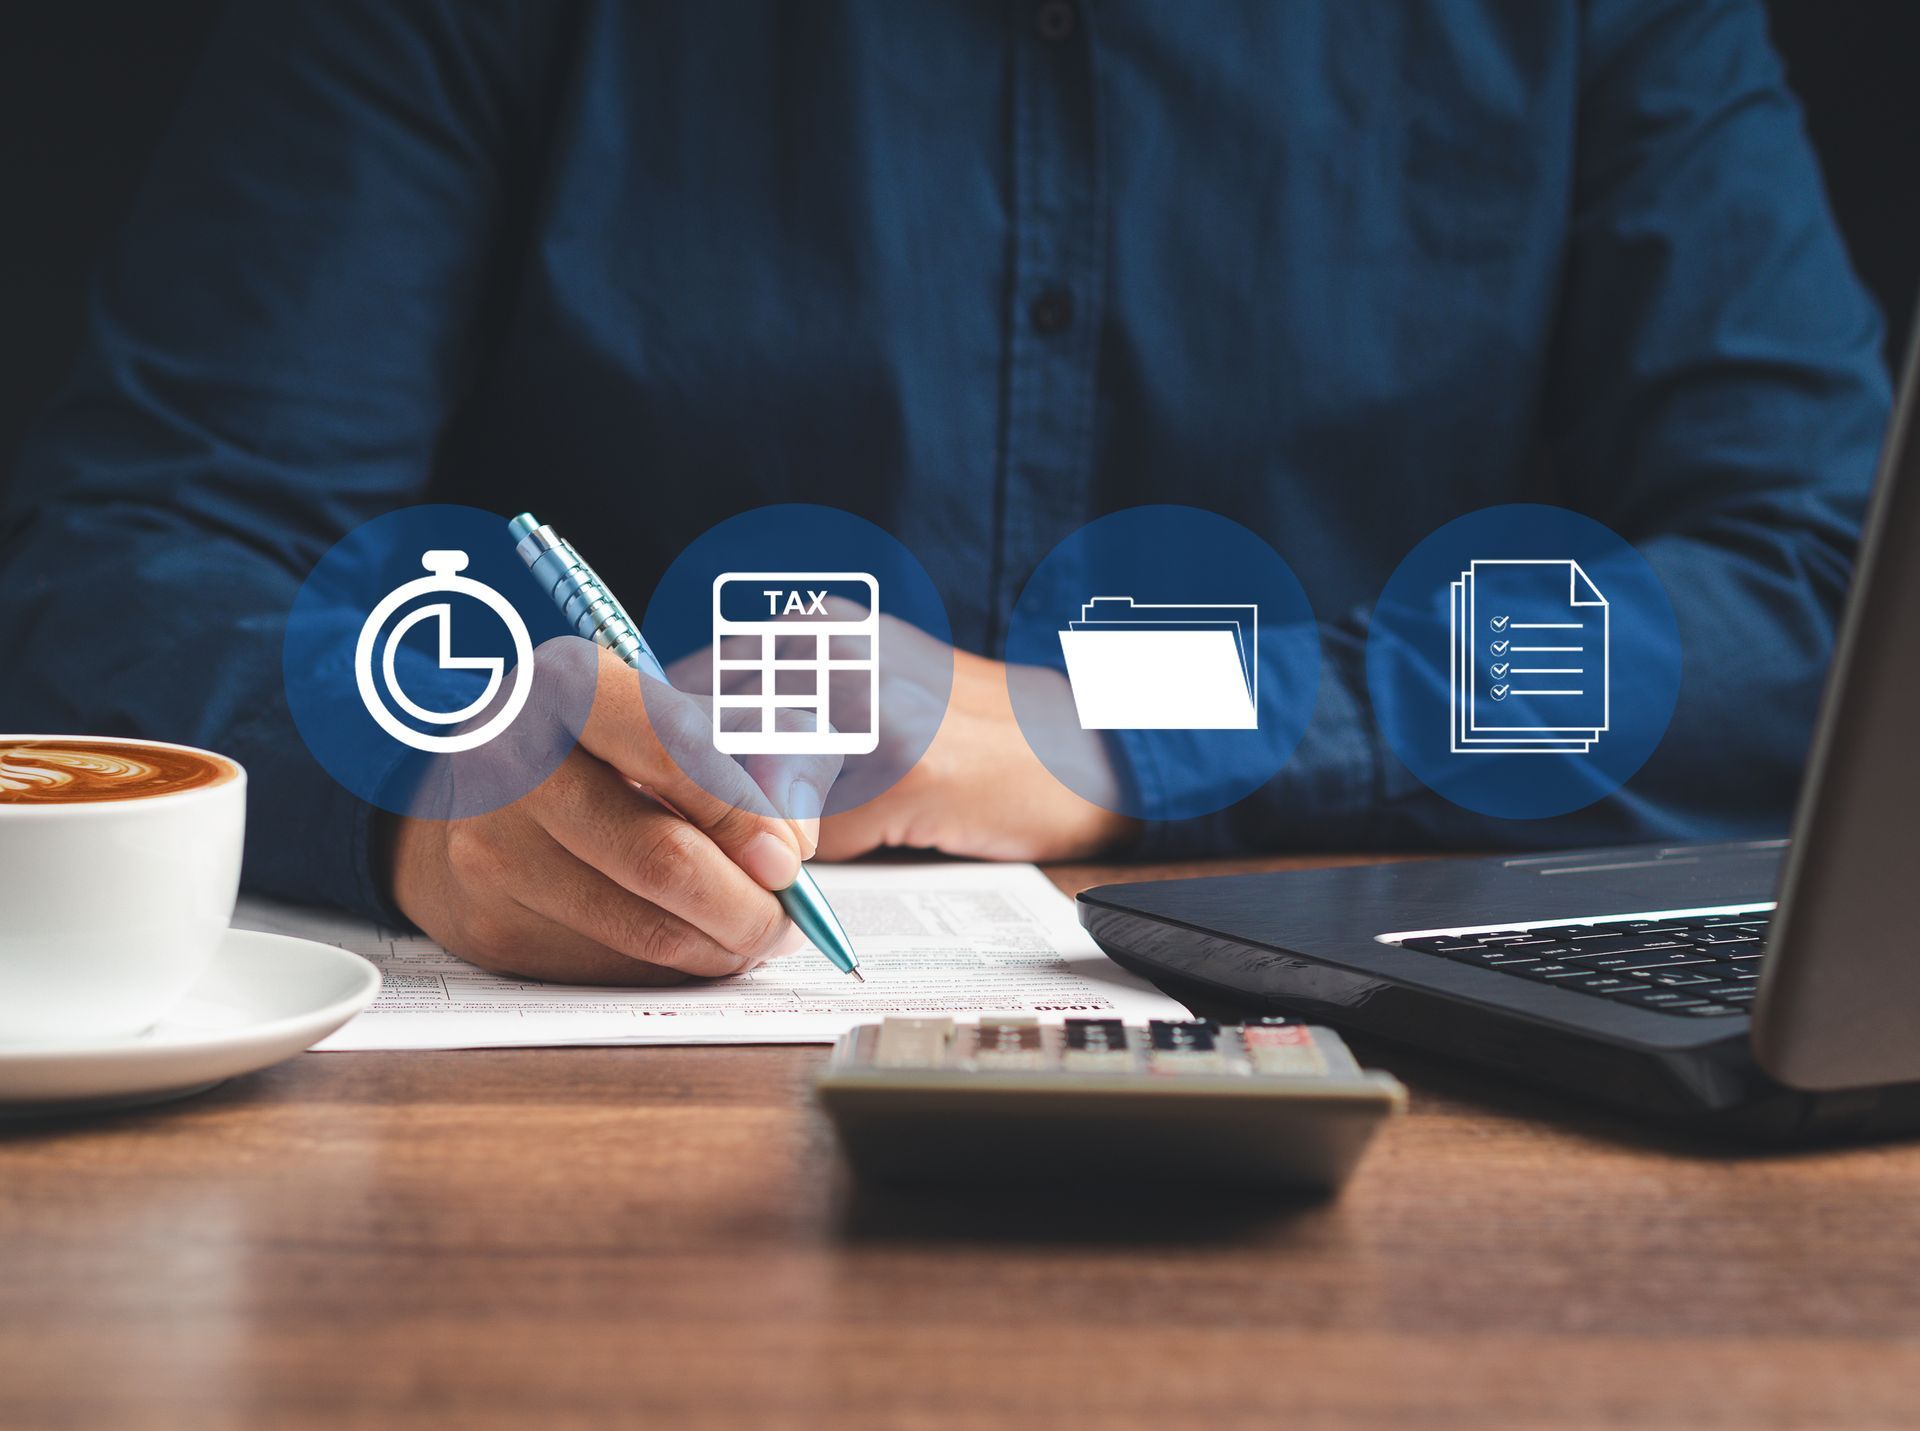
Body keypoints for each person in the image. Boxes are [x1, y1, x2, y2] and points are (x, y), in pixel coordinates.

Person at [0, 1, 1889, 984]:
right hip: (603, 1110)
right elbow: (133, 548)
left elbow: (1821, 596)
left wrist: (1131, 723)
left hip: (1391, 1113)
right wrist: (418, 789)